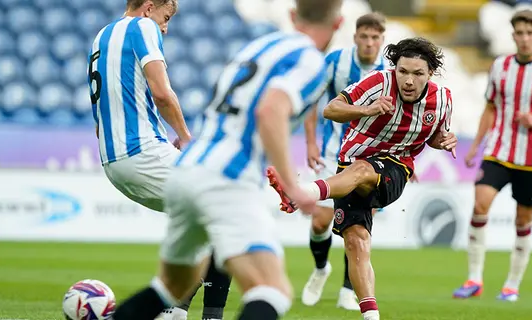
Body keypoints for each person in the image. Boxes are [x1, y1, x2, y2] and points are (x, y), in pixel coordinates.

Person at [110, 0, 344, 319]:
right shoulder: (310, 60)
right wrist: (295, 186)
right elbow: (270, 111)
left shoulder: (257, 47)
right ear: (338, 24)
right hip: (227, 178)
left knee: (170, 286)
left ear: (292, 15)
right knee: (271, 289)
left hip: (187, 168)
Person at [268, 37, 457, 320]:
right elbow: (330, 109)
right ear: (395, 69)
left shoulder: (442, 100)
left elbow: (434, 136)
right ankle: (371, 316)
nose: (408, 80)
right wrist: (366, 110)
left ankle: (300, 192)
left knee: (362, 170)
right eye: (403, 71)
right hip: (350, 164)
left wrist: (442, 141)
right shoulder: (378, 82)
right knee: (356, 242)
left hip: (394, 169)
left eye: (417, 74)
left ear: (430, 74)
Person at [87, 1, 231, 319]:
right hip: (142, 151)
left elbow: (102, 115)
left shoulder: (101, 37)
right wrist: (186, 138)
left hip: (113, 162)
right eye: (166, 18)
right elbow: (162, 93)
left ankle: (174, 311)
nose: (165, 27)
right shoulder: (143, 27)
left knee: (202, 220)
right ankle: (191, 314)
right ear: (150, 7)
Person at [452, 9, 532, 302]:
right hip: (499, 150)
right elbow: (490, 107)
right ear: (513, 35)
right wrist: (475, 146)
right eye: (519, 33)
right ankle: (474, 278)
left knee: (523, 221)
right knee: (480, 203)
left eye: (529, 33)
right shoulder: (500, 66)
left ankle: (511, 284)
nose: (524, 38)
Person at [301, 12, 388, 310]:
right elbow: (313, 101)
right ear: (355, 37)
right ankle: (321, 267)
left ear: (382, 40)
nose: (369, 42)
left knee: (360, 226)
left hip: (370, 159)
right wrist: (311, 141)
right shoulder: (335, 61)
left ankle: (347, 290)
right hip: (332, 154)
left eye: (375, 37)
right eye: (364, 36)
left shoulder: (390, 71)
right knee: (319, 221)